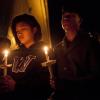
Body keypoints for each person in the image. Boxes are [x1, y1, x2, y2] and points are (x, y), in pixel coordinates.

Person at [51, 3, 100, 100]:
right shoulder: (57, 48)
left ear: (80, 20)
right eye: (63, 16)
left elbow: (97, 77)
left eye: (71, 15)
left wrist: (68, 84)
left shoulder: (91, 44)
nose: (65, 18)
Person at [0, 14, 52, 99]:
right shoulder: (12, 54)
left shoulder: (44, 53)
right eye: (17, 31)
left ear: (34, 30)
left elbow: (45, 85)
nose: (19, 33)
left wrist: (16, 86)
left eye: (23, 29)